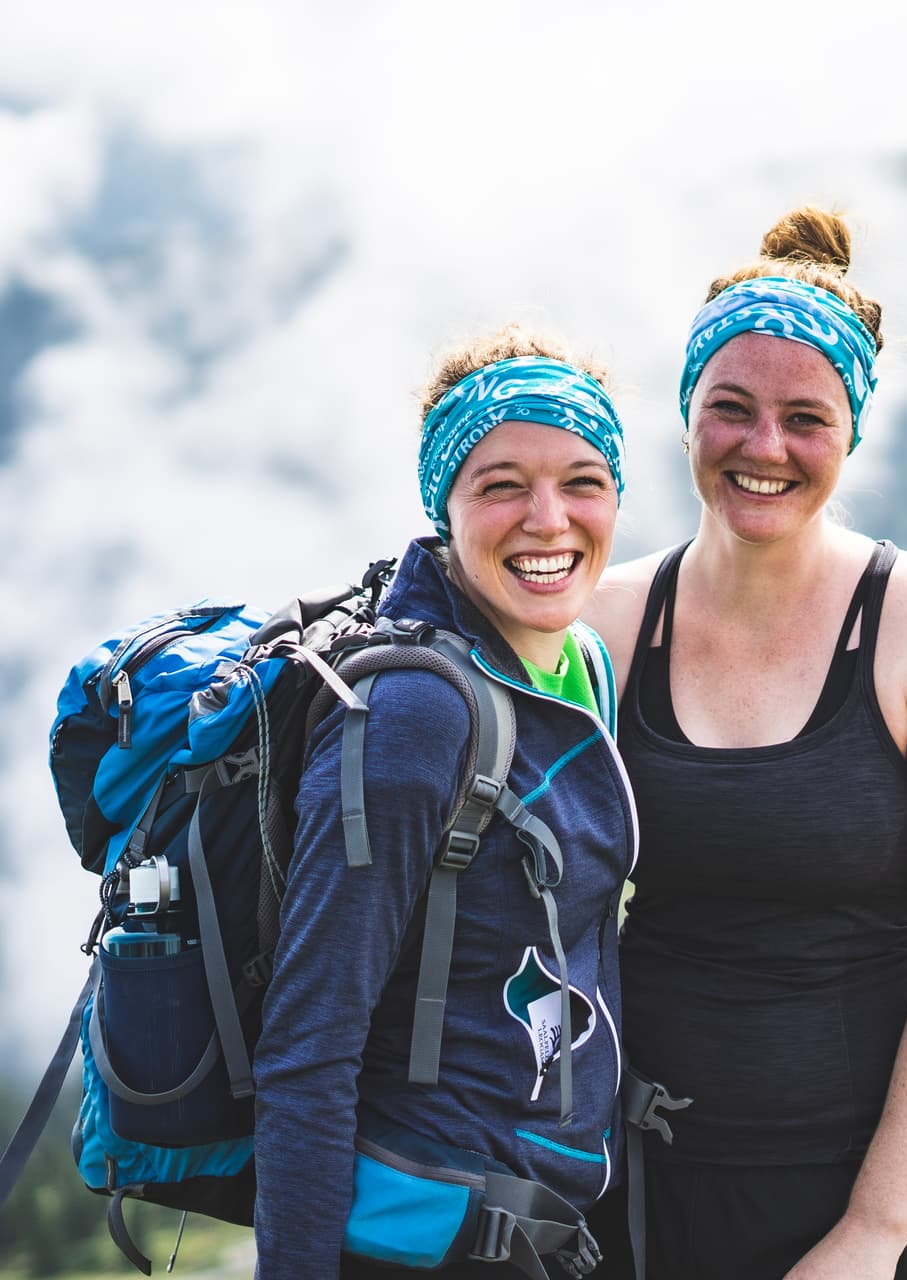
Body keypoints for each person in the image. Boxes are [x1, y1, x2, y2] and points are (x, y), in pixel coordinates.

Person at [583, 208, 907, 1279]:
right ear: (688, 418)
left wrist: (871, 1236)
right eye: (729, 409)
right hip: (643, 1199)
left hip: (877, 1203)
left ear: (853, 432)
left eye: (805, 417)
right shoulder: (603, 628)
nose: (763, 447)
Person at [255, 327, 637, 1279]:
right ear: (445, 505)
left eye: (582, 480)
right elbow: (307, 1046)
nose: (549, 519)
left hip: (544, 1228)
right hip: (426, 1243)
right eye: (502, 483)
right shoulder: (415, 713)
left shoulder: (576, 662)